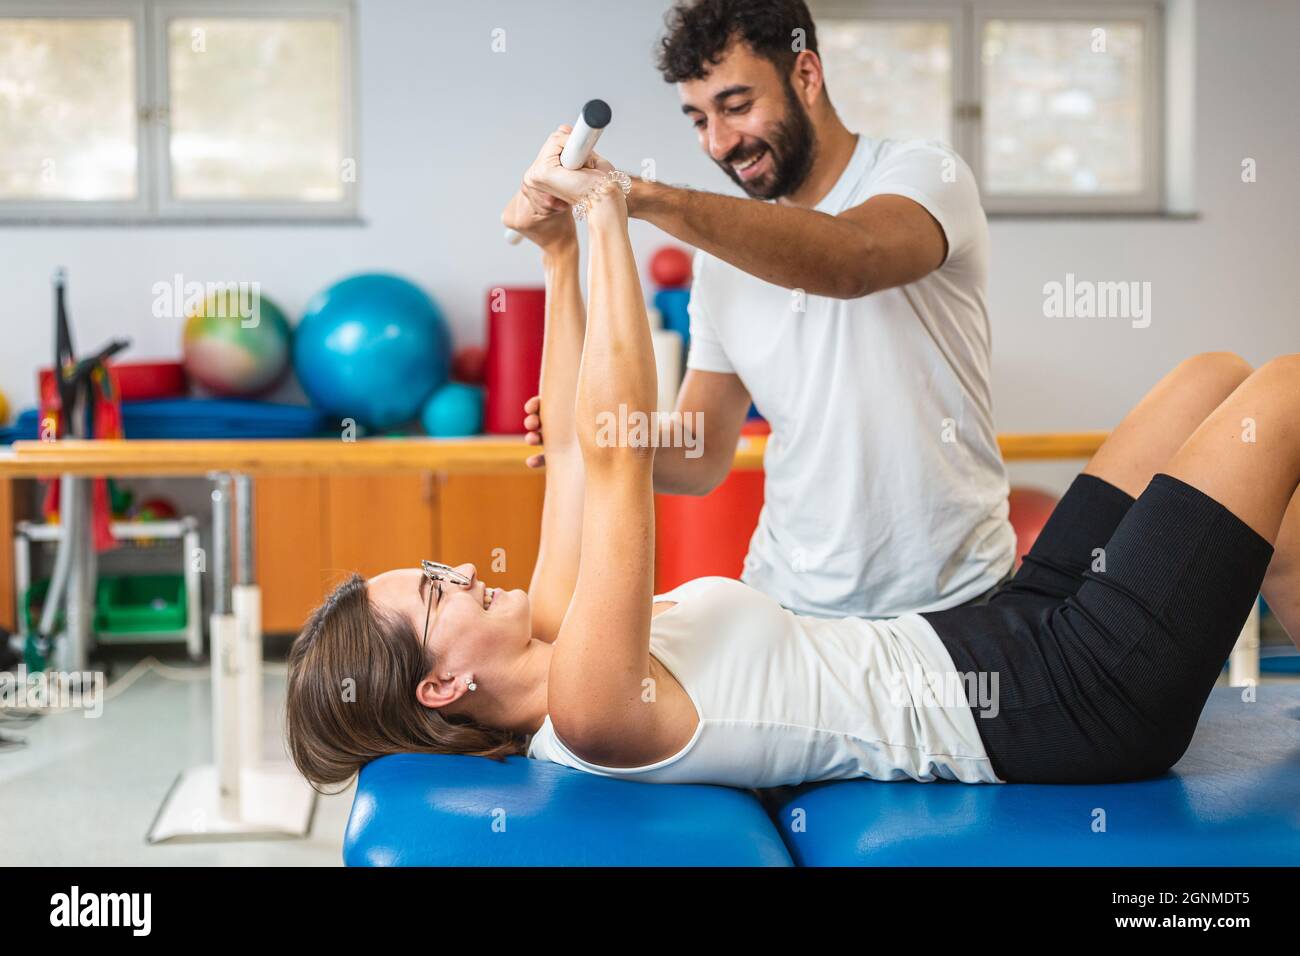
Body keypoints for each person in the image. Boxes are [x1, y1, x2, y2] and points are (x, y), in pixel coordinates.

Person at [285, 135, 1299, 791]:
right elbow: (616, 449)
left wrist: (553, 254)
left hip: (1002, 625)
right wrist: (604, 212)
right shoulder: (590, 710)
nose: (458, 570)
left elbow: (575, 470)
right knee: (1283, 399)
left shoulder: (553, 640)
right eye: (435, 592)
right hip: (1063, 700)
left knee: (1211, 377)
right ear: (442, 685)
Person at [525, 0, 1015, 620]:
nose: (721, 142)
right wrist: (593, 434)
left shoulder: (923, 174)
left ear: (806, 75)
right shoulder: (720, 261)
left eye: (736, 106)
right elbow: (699, 458)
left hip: (953, 600)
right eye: (698, 119)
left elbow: (851, 261)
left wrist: (636, 196)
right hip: (789, 603)